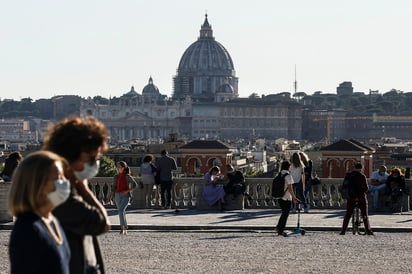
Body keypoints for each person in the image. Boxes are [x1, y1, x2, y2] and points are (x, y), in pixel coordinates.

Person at [42, 115, 111, 274]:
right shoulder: (61, 195)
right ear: (72, 157)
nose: (94, 163)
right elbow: (101, 223)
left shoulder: (57, 189)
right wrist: (85, 190)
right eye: (91, 158)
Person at [8, 151, 71, 274]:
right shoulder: (27, 230)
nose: (65, 182)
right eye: (58, 177)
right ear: (37, 184)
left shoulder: (52, 220)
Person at [340, 163, 374, 235]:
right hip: (361, 197)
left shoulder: (348, 175)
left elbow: (344, 186)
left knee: (348, 214)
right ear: (361, 168)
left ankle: (343, 230)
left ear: (354, 167)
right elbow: (366, 188)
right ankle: (368, 230)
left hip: (351, 197)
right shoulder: (362, 176)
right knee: (364, 214)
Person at [108, 161, 138, 235]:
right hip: (117, 195)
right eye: (117, 167)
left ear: (123, 168)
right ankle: (125, 228)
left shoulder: (127, 176)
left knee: (121, 211)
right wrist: (110, 197)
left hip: (126, 196)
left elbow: (135, 185)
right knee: (121, 212)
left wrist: (127, 191)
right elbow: (114, 187)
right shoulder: (116, 176)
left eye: (119, 167)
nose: (118, 168)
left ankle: (122, 228)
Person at [275, 160, 298, 236]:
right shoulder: (288, 176)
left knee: (283, 213)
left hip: (279, 197)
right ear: (288, 167)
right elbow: (290, 189)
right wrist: (294, 198)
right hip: (287, 197)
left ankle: (279, 227)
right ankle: (280, 230)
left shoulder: (279, 174)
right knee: (285, 214)